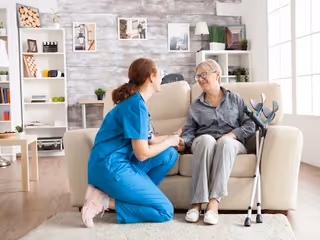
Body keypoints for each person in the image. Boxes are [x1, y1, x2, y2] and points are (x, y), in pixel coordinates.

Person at [81, 58, 180, 227]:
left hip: (114, 164)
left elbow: (151, 139)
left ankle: (134, 195)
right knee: (165, 211)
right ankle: (102, 202)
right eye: (160, 73)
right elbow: (142, 154)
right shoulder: (135, 106)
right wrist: (170, 140)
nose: (162, 77)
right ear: (151, 77)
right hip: (111, 167)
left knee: (169, 154)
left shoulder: (136, 103)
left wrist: (174, 139)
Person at [176, 59, 255, 225]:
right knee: (206, 140)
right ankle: (196, 204)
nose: (199, 79)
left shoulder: (235, 99)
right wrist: (183, 142)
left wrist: (232, 135)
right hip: (204, 142)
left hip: (232, 142)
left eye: (203, 74)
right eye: (197, 76)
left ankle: (213, 204)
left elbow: (250, 124)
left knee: (224, 143)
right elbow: (190, 133)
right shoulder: (196, 106)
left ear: (217, 74)